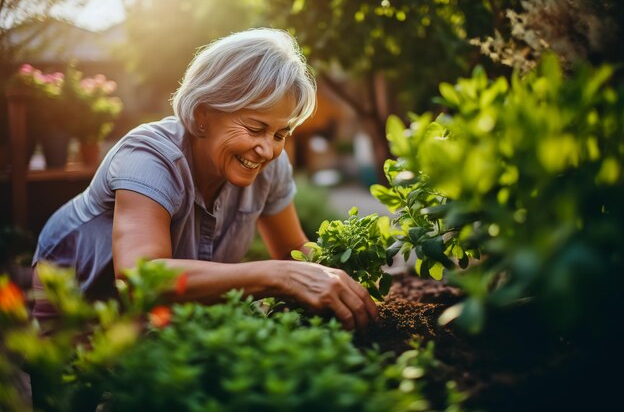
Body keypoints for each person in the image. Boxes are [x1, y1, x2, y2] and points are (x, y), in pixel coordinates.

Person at [32, 28, 377, 331]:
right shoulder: (149, 158)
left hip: (151, 315)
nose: (267, 149)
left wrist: (348, 272)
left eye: (280, 133)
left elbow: (294, 254)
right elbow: (141, 278)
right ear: (202, 116)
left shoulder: (270, 165)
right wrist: (278, 277)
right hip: (74, 294)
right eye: (256, 128)